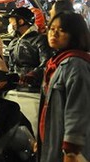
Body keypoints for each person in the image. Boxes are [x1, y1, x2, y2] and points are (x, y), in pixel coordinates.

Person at [38, 11, 90, 161]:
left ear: (75, 35)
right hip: (54, 143)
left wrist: (71, 150)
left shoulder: (76, 65)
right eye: (52, 28)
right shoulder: (56, 63)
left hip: (69, 151)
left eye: (62, 30)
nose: (54, 34)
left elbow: (78, 110)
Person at [5, 7, 55, 91]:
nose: (10, 25)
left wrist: (32, 75)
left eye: (11, 21)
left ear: (21, 21)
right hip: (16, 89)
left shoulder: (40, 40)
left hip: (35, 90)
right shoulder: (13, 42)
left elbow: (47, 63)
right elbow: (11, 67)